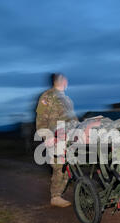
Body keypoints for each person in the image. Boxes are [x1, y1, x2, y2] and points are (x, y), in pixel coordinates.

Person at [36, 73, 78, 207]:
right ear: (60, 81)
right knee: (59, 166)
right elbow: (41, 119)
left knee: (68, 166)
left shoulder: (67, 100)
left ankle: (61, 192)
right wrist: (47, 137)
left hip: (68, 137)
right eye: (65, 78)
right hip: (54, 136)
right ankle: (55, 196)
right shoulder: (47, 97)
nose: (67, 81)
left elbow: (73, 119)